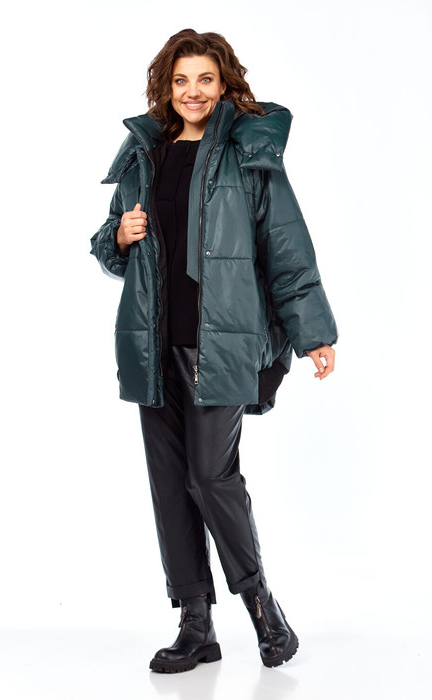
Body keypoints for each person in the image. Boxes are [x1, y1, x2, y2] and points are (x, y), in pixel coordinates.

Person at [90, 28, 338, 674]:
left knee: (210, 476)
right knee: (171, 485)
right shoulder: (144, 154)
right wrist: (119, 235)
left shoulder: (247, 152)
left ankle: (262, 607)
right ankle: (195, 624)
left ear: (223, 83)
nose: (193, 92)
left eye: (204, 79)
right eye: (181, 81)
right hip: (152, 345)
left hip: (222, 343)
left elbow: (286, 245)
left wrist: (313, 331)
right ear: (166, 88)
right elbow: (107, 248)